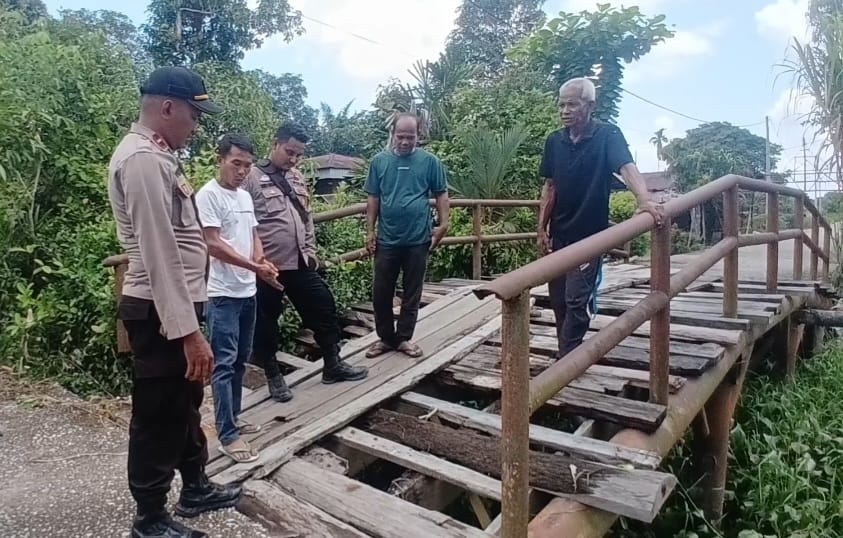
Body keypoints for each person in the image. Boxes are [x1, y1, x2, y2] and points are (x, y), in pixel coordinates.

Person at [108, 66, 240, 538]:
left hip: (175, 305)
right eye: (194, 115)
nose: (196, 126)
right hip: (159, 310)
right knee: (159, 412)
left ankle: (195, 487)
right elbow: (159, 253)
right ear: (167, 107)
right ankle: (150, 517)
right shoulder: (142, 160)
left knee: (185, 403)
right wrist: (187, 332)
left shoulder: (160, 156)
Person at [537, 77, 665, 360]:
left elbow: (627, 168)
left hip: (591, 238)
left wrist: (644, 200)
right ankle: (565, 355)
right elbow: (550, 187)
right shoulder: (554, 141)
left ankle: (566, 359)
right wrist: (541, 228)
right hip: (560, 234)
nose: (565, 111)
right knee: (558, 300)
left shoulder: (607, 135)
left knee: (576, 300)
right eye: (561, 105)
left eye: (572, 104)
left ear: (590, 105)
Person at [245, 123, 368, 401]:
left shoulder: (297, 177)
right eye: (289, 152)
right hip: (267, 268)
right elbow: (242, 221)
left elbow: (306, 217)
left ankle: (333, 364)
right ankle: (274, 377)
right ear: (275, 144)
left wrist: (310, 250)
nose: (294, 159)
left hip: (300, 262)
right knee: (265, 323)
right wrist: (255, 261)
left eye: (299, 154)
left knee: (323, 307)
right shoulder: (251, 177)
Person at [195, 133, 282, 464]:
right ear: (220, 160)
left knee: (241, 359)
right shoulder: (208, 195)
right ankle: (227, 435)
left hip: (248, 292)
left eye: (247, 165)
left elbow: (253, 233)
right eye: (236, 164)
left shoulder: (244, 195)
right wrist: (253, 267)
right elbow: (213, 244)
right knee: (224, 362)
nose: (242, 171)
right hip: (223, 294)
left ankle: (233, 418)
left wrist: (261, 262)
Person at [363, 112, 450, 359]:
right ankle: (385, 338)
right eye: (400, 136)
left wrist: (444, 224)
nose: (404, 142)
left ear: (418, 135)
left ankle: (403, 338)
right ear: (393, 133)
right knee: (381, 291)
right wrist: (370, 231)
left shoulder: (430, 162)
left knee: (412, 292)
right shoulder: (379, 162)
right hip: (387, 239)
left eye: (410, 137)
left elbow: (441, 193)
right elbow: (373, 198)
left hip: (418, 238)